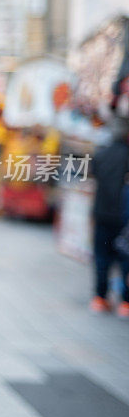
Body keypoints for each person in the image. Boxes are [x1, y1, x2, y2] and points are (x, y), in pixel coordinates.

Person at [90, 118, 129, 317]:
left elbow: (93, 176)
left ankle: (100, 298)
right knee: (125, 259)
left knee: (101, 257)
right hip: (123, 217)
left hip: (102, 212)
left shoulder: (101, 154)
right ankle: (125, 303)